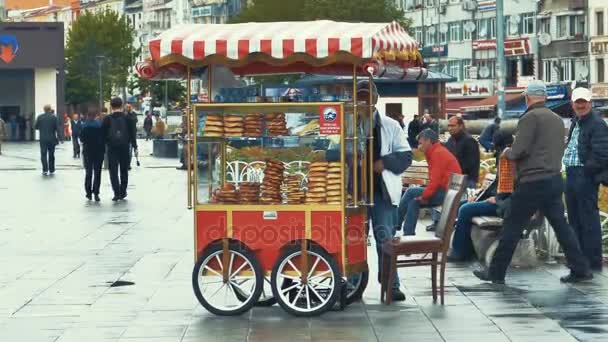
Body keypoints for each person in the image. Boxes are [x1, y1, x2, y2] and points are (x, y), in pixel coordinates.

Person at [474, 80, 592, 284]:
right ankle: (581, 269)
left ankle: (495, 273)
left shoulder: (529, 118)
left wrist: (507, 152)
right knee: (562, 227)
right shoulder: (556, 119)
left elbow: (519, 150)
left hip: (532, 182)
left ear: (527, 97)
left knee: (512, 225)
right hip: (554, 180)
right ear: (545, 97)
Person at [358, 80, 412, 302]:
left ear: (375, 99)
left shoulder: (391, 125)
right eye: (360, 96)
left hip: (382, 193)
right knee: (354, 239)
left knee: (385, 239)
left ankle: (391, 284)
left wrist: (384, 163)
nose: (364, 101)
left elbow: (406, 156)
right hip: (356, 193)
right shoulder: (348, 124)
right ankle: (353, 284)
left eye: (367, 96)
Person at [448, 131, 514, 262]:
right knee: (462, 205)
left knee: (465, 209)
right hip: (500, 199)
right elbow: (498, 183)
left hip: (505, 205)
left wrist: (497, 199)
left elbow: (514, 188)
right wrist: (479, 196)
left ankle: (460, 252)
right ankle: (466, 248)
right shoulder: (504, 157)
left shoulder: (511, 160)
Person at [563, 87, 608, 271]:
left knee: (588, 220)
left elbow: (602, 153)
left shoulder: (597, 124)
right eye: (577, 102)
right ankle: (579, 262)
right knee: (574, 220)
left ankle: (591, 261)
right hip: (572, 173)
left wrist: (587, 171)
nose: (580, 105)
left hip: (584, 175)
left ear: (590, 103)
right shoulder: (576, 122)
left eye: (583, 102)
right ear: (572, 104)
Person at [397, 129, 461, 236]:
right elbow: (435, 179)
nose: (419, 146)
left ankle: (396, 223)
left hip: (446, 192)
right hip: (447, 190)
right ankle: (408, 235)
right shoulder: (436, 151)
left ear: (428, 141)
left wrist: (424, 196)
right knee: (414, 201)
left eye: (420, 143)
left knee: (411, 192)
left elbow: (435, 180)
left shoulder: (438, 153)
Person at [102, 97, 138, 201]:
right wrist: (135, 146)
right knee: (124, 170)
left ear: (111, 107)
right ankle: (123, 191)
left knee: (113, 170)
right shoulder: (127, 118)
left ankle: (116, 192)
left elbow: (103, 134)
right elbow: (132, 134)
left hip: (112, 147)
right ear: (121, 105)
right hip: (124, 147)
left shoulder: (107, 119)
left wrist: (104, 145)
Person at [445, 116, 480, 189]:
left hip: (467, 180)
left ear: (460, 126)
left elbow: (471, 164)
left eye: (453, 126)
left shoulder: (469, 141)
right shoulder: (450, 140)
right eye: (448, 126)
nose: (450, 128)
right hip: (454, 179)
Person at [80, 109, 105, 202]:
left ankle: (88, 192)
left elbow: (81, 139)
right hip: (99, 151)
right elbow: (103, 138)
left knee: (88, 172)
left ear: (87, 116)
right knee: (97, 173)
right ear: (95, 116)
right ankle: (96, 192)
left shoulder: (84, 126)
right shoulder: (100, 125)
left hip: (87, 151)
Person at [35, 105, 60, 175]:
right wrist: (61, 138)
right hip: (52, 138)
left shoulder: (40, 117)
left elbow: (36, 127)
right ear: (50, 109)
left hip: (43, 139)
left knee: (43, 154)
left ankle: (45, 170)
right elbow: (57, 128)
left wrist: (41, 128)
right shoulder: (54, 117)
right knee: (51, 154)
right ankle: (51, 169)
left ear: (44, 109)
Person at [125, 104, 138, 169]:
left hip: (129, 137)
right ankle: (127, 164)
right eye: (127, 107)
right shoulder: (127, 116)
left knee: (129, 151)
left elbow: (135, 120)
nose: (128, 108)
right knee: (128, 151)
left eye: (128, 107)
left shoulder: (131, 115)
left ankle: (127, 164)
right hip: (127, 137)